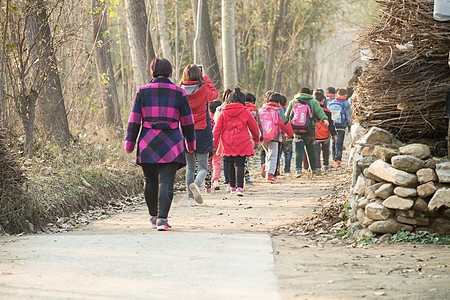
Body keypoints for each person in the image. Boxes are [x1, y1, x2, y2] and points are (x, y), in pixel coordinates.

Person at [124, 58, 196, 231]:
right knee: (166, 182)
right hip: (171, 142)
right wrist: (191, 144)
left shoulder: (142, 91)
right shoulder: (179, 93)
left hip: (148, 141)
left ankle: (152, 217)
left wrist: (130, 142)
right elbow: (187, 121)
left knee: (149, 180)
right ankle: (162, 220)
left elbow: (134, 119)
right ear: (170, 73)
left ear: (152, 72)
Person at [179, 64, 218, 207]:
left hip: (185, 130)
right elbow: (215, 95)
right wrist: (206, 78)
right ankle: (196, 184)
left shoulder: (180, 90)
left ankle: (190, 199)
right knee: (203, 167)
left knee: (190, 167)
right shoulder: (204, 89)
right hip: (202, 130)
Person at [213, 87, 260, 196]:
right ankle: (240, 188)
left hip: (227, 142)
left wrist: (214, 144)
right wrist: (256, 139)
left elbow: (217, 130)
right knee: (240, 164)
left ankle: (232, 186)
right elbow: (254, 128)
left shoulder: (223, 113)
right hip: (242, 142)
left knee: (230, 163)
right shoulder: (245, 111)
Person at [285, 87, 329, 177]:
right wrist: (325, 119)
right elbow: (319, 112)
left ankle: (298, 170)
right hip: (310, 130)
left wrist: (285, 128)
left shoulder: (293, 102)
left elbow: (286, 116)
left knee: (298, 150)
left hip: (296, 130)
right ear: (310, 94)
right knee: (311, 149)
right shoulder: (313, 102)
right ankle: (313, 170)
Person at [259, 93, 294, 183]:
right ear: (278, 102)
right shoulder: (278, 110)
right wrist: (291, 134)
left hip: (263, 136)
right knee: (273, 155)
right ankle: (270, 175)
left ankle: (266, 168)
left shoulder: (262, 109)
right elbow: (284, 124)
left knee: (268, 154)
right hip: (274, 137)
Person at [313, 91, 337, 173]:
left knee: (316, 152)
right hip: (325, 135)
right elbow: (330, 124)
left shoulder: (312, 111)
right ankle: (326, 166)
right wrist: (334, 134)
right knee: (326, 151)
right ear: (323, 100)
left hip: (316, 135)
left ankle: (317, 168)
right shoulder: (327, 111)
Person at [329, 88, 352, 168]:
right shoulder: (346, 103)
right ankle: (338, 160)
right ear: (345, 95)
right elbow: (349, 116)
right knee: (339, 143)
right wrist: (350, 126)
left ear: (337, 95)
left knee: (333, 142)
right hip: (341, 126)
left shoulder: (331, 103)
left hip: (332, 126)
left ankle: (334, 160)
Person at [244, 92, 261, 184]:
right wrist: (259, 138)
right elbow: (258, 124)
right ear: (253, 101)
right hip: (250, 138)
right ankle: (247, 178)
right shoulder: (254, 111)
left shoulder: (241, 109)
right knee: (246, 159)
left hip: (239, 136)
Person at [278, 94, 293, 175]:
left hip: (279, 136)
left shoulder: (276, 111)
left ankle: (277, 169)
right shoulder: (289, 110)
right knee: (288, 154)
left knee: (278, 153)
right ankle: (287, 170)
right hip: (288, 135)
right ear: (286, 103)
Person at [209, 100, 223, 190]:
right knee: (217, 163)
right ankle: (216, 180)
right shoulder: (220, 118)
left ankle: (207, 182)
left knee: (208, 163)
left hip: (208, 144)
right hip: (218, 143)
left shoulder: (208, 118)